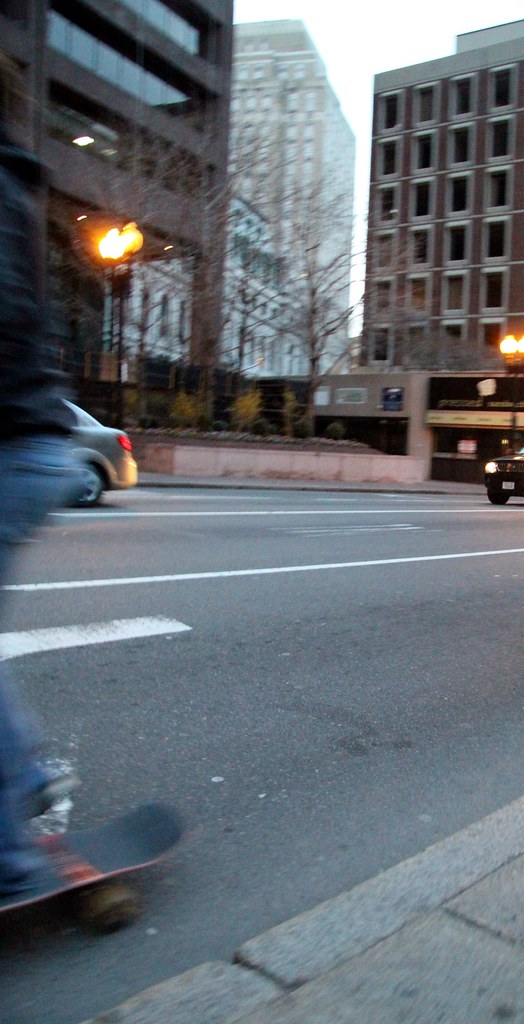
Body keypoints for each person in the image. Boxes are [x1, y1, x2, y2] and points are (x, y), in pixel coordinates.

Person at [0, 60, 82, 895]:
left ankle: (10, 859)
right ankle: (22, 777)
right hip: (25, 441)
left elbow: (4, 315)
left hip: (13, 445)